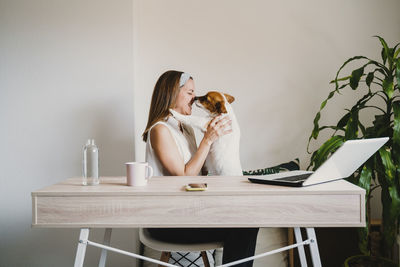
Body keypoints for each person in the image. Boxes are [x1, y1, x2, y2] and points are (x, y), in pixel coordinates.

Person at [142, 70, 259, 267]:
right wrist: (208, 139)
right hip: (168, 220)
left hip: (190, 213)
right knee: (244, 226)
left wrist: (220, 145)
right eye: (189, 92)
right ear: (172, 93)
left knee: (249, 219)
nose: (194, 97)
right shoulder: (160, 130)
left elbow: (199, 173)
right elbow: (184, 177)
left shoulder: (185, 129)